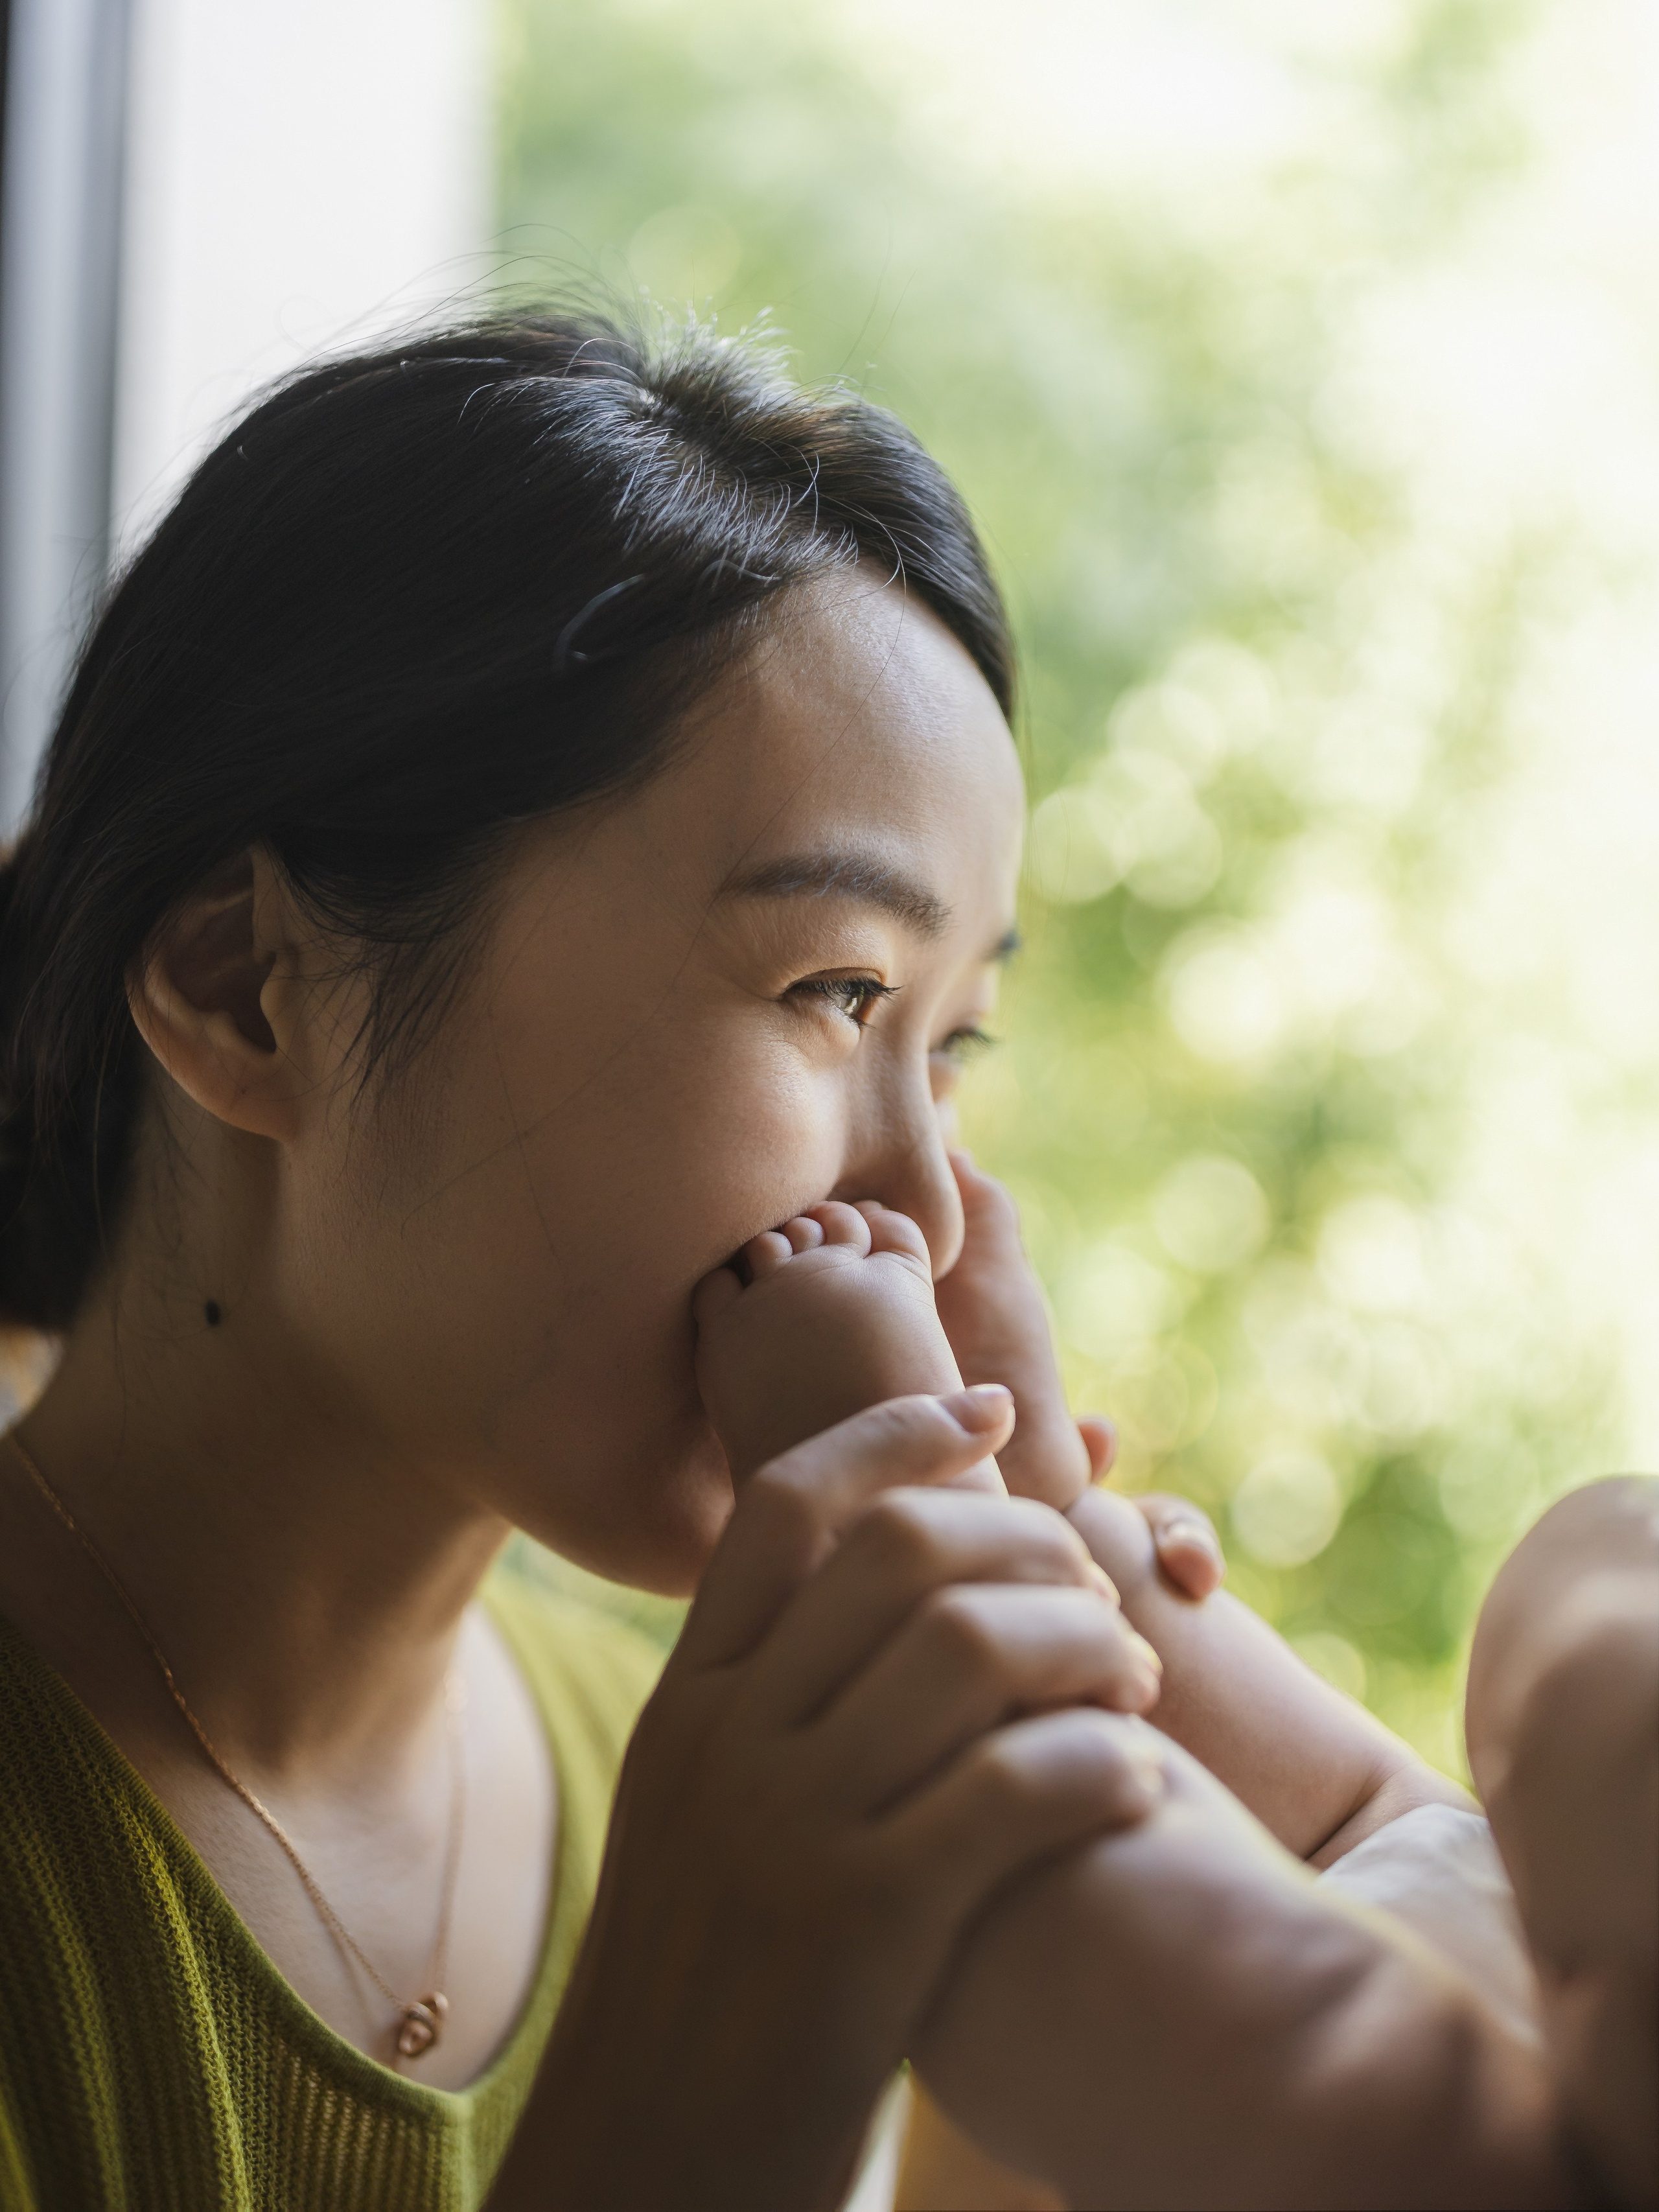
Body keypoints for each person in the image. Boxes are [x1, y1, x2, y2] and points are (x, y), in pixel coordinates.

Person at [0, 309, 1184, 2211]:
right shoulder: (737, 1860)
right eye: (831, 990)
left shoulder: (715, 1776)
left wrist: (1050, 1909)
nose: (932, 1207)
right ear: (247, 989)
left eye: (949, 1045)